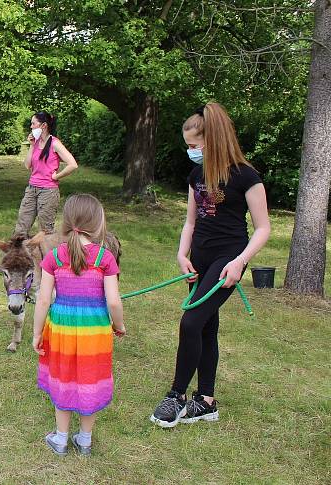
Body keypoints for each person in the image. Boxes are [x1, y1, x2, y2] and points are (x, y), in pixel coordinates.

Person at [150, 103, 270, 428]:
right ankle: (206, 400)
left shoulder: (246, 175)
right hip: (199, 258)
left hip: (227, 259)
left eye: (194, 145)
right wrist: (181, 254)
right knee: (206, 326)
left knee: (190, 323)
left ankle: (176, 395)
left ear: (213, 139)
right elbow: (190, 222)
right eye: (188, 145)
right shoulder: (196, 174)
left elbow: (263, 228)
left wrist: (239, 262)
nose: (190, 151)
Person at [32, 194, 125, 456]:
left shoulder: (54, 257)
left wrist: (37, 333)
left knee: (62, 379)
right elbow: (114, 302)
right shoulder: (104, 258)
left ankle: (60, 438)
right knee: (89, 380)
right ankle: (84, 439)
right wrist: (119, 326)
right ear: (97, 225)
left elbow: (42, 300)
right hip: (94, 334)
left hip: (60, 331)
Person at [14, 112, 78, 237]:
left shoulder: (55, 143)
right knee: (21, 227)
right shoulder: (36, 142)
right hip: (31, 189)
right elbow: (27, 165)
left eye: (33, 124)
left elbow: (73, 164)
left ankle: (48, 256)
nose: (31, 127)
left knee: (45, 231)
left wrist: (56, 176)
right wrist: (32, 146)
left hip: (48, 192)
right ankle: (18, 255)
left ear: (43, 125)